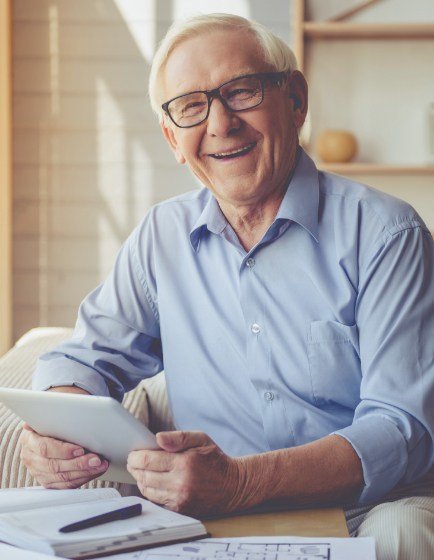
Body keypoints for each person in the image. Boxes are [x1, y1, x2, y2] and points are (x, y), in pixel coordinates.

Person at [20, 13, 434, 559]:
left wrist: (241, 481)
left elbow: (402, 428)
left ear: (295, 99)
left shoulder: (388, 234)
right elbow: (86, 360)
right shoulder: (159, 238)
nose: (219, 123)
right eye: (191, 106)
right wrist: (55, 426)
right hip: (205, 522)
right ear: (172, 138)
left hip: (363, 511)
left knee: (404, 533)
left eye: (241, 91)